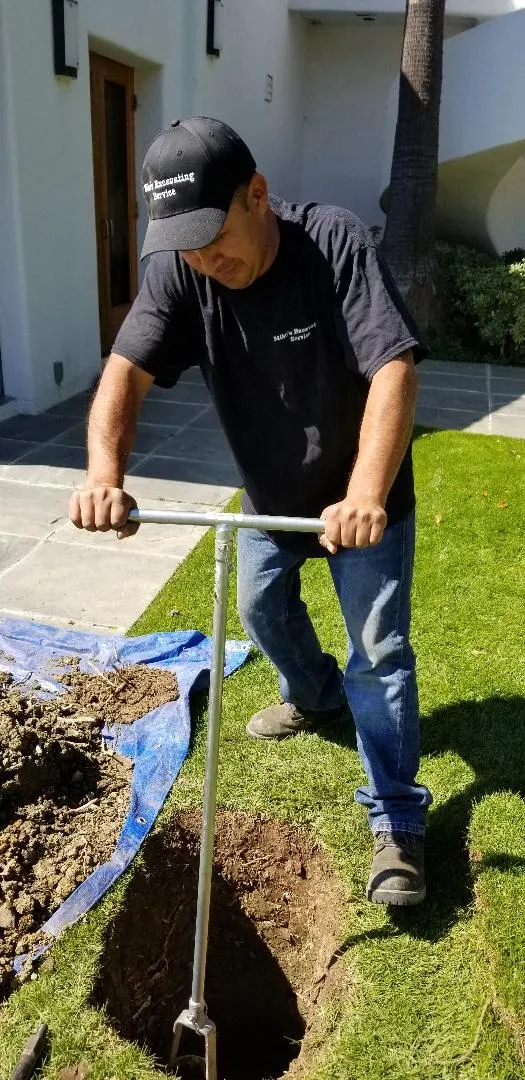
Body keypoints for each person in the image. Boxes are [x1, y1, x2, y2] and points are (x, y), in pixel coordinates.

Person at [69, 116, 432, 905]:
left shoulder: (330, 244)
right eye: (185, 244)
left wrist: (365, 494)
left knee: (379, 653)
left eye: (213, 236)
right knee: (260, 606)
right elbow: (123, 375)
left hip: (355, 496)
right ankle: (313, 695)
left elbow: (393, 371)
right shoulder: (181, 270)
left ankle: (397, 823)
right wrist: (105, 473)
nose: (204, 259)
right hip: (271, 494)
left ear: (257, 195)